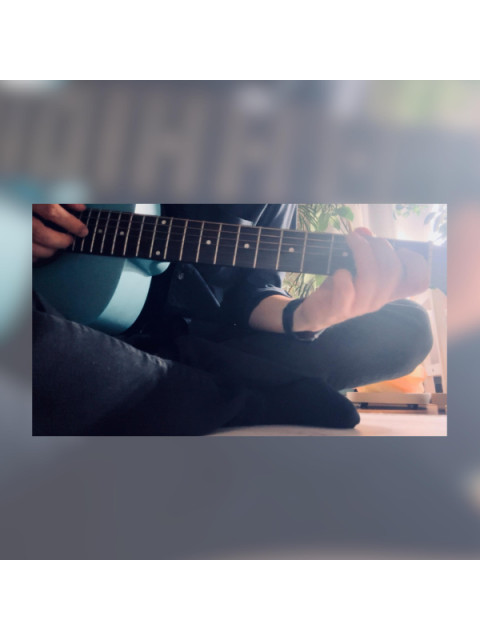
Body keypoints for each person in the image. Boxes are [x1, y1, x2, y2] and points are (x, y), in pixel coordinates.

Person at [32, 203, 433, 435]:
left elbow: (254, 293)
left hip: (197, 345)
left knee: (408, 328)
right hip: (54, 307)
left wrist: (305, 315)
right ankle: (226, 398)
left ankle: (146, 384)